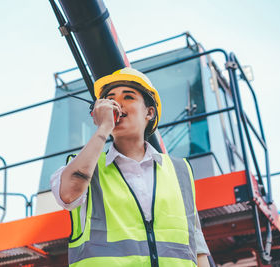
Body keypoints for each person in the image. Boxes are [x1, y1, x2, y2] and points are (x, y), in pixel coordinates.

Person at [50, 67, 210, 266]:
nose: (117, 103)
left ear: (149, 112)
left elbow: (197, 249)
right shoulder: (85, 167)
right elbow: (68, 193)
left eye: (128, 97)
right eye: (110, 98)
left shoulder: (180, 171)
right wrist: (103, 129)